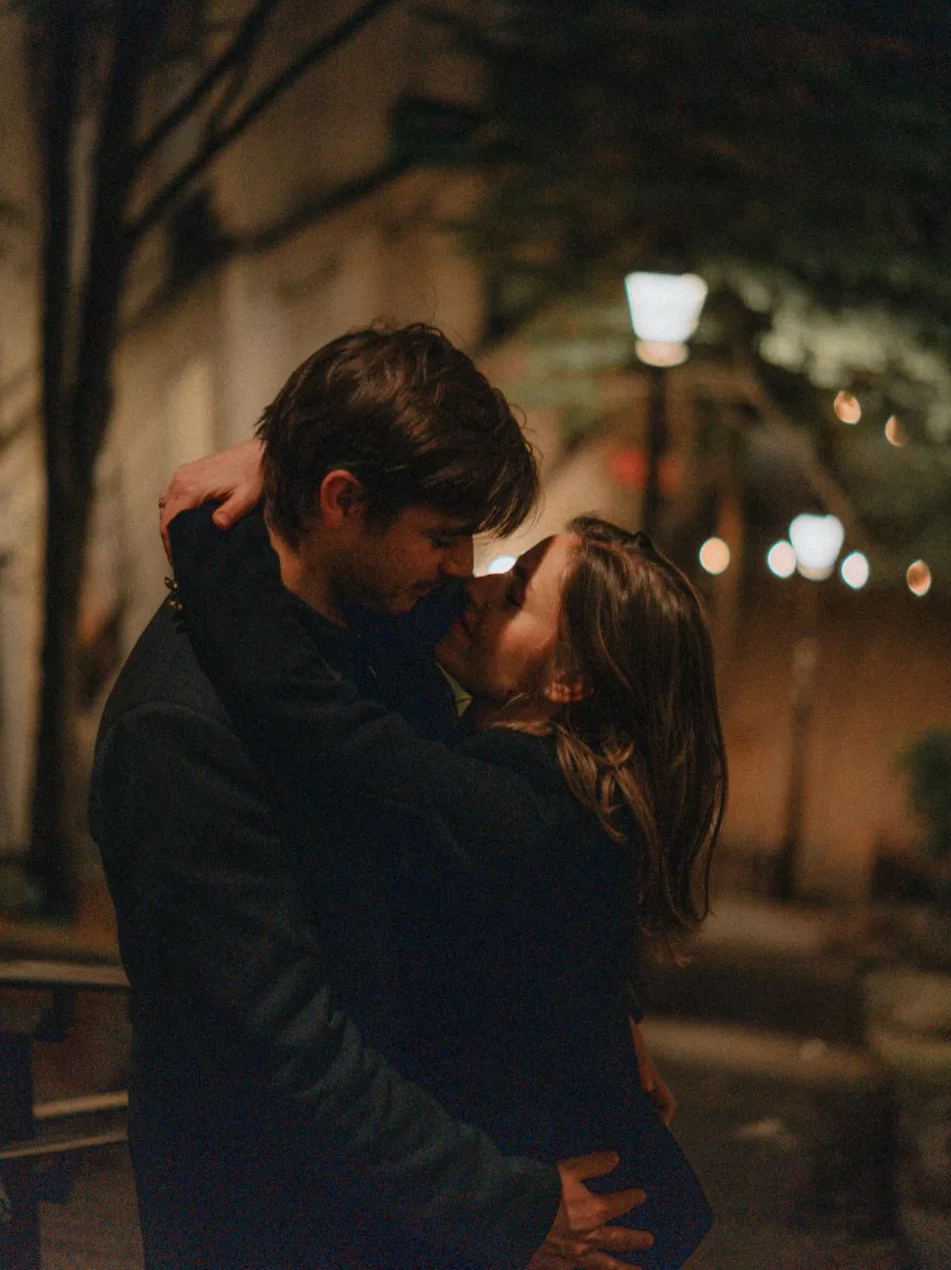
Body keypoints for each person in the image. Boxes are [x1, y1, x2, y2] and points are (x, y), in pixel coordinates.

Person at [91, 325, 655, 1270]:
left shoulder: (381, 622)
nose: (461, 568)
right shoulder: (180, 728)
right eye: (441, 536)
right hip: (270, 1227)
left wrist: (598, 1000)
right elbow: (286, 1054)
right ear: (343, 502)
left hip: (392, 1220)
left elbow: (495, 845)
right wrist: (507, 1205)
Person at [163, 490, 726, 1270]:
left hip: (552, 1220)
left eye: (516, 594)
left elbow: (301, 706)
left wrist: (207, 527)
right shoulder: (573, 794)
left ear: (569, 678)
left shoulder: (507, 803)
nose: (476, 585)